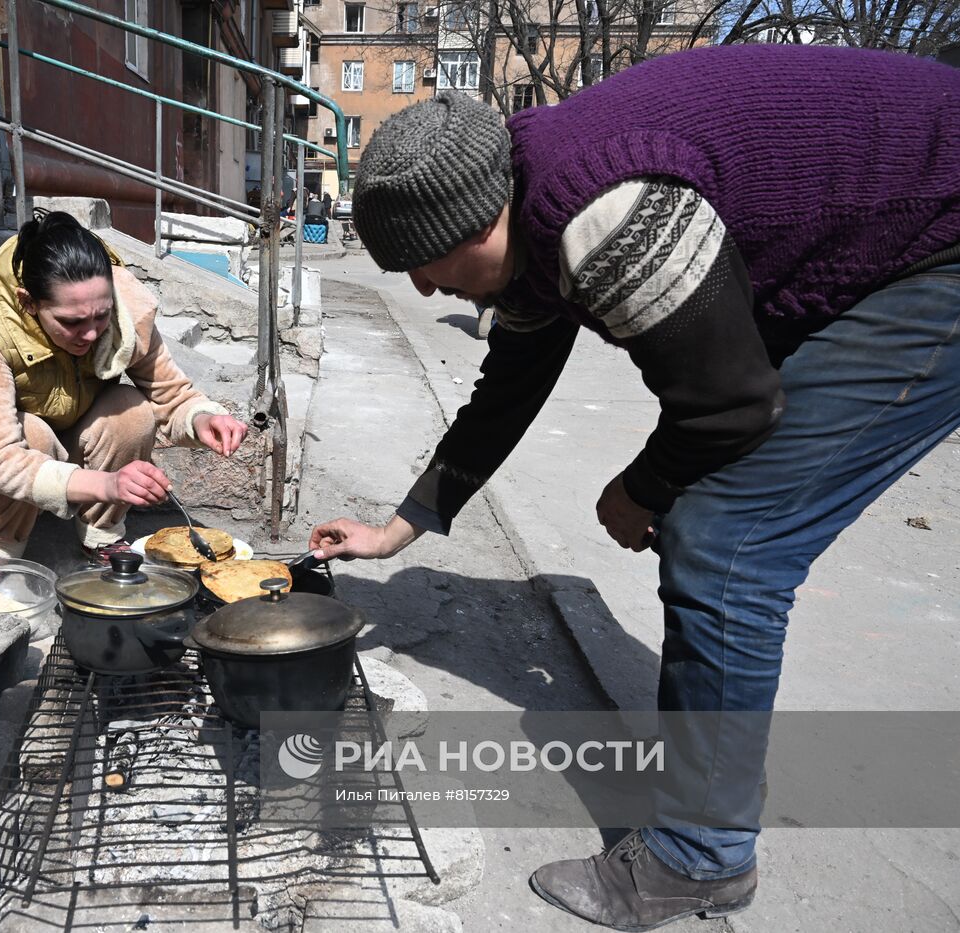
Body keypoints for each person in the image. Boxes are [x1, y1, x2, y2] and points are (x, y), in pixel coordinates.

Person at [309, 44, 960, 930]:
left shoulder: (606, 218)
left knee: (726, 541)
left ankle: (700, 858)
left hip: (937, 244)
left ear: (474, 229)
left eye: (423, 266)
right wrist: (398, 528)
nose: (424, 291)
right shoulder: (525, 215)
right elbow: (506, 392)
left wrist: (641, 489)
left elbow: (732, 406)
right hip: (875, 230)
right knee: (709, 514)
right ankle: (720, 771)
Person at [0, 210, 248, 562]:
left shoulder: (124, 309)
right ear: (28, 302)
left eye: (101, 316)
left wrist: (202, 419)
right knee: (33, 433)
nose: (90, 334)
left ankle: (101, 535)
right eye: (72, 322)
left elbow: (171, 393)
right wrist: (108, 485)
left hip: (66, 446)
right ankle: (0, 547)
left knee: (131, 411)